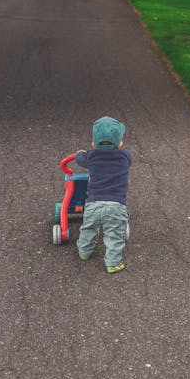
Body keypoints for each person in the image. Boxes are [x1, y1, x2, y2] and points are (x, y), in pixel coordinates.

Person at [75, 116, 131, 273]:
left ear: (93, 143)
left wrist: (80, 153)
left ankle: (84, 252)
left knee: (88, 229)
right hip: (116, 205)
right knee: (114, 235)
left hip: (93, 204)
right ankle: (112, 263)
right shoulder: (125, 157)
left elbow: (80, 158)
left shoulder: (90, 156)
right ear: (120, 143)